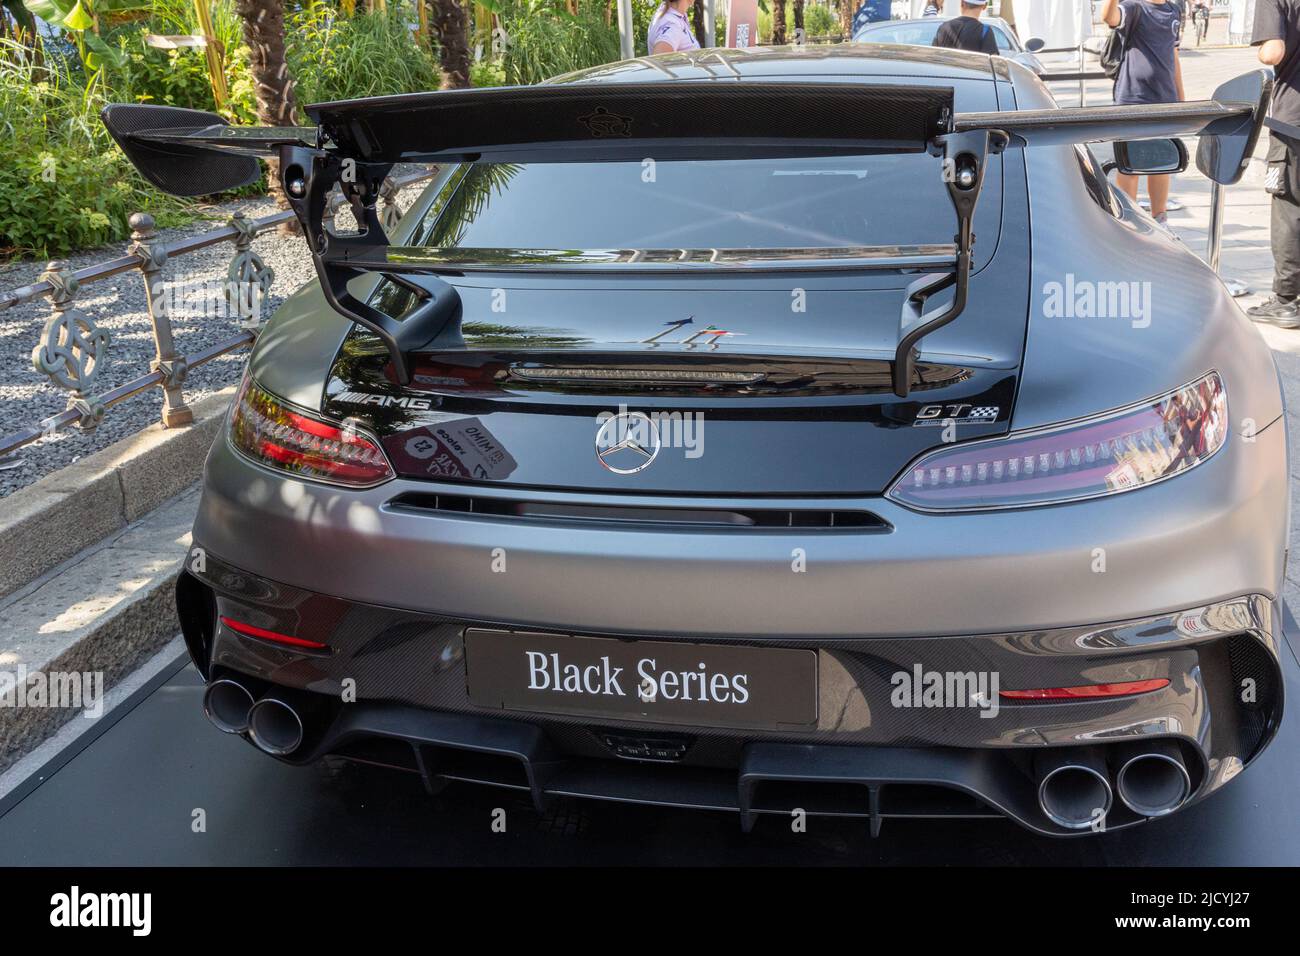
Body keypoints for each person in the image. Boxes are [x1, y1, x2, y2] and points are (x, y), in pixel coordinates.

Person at [1100, 0, 1186, 232]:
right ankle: (1129, 221)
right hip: (1132, 98)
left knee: (1162, 163)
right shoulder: (1134, 7)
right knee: (1130, 165)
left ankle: (1161, 219)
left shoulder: (1174, 9)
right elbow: (1109, 17)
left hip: (1165, 99)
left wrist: (1181, 98)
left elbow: (1174, 54)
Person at [1247, 0, 1300, 326]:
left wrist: (1263, 49)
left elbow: (1272, 53)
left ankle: (1284, 300)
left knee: (1288, 210)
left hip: (1293, 120)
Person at [932, 0, 1000, 54]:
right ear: (985, 6)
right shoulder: (985, 32)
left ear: (961, 2)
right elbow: (993, 63)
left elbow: (933, 56)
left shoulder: (943, 27)